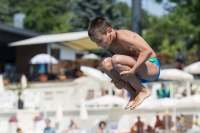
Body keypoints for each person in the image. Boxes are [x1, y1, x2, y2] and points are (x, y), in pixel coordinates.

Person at [88, 17, 160, 109]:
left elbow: (147, 51)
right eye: (95, 43)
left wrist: (132, 71)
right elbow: (117, 67)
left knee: (116, 59)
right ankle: (133, 92)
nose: (98, 45)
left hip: (151, 67)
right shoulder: (108, 45)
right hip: (134, 74)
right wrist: (118, 82)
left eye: (99, 40)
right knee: (105, 63)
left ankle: (142, 90)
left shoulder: (121, 36)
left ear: (109, 30)